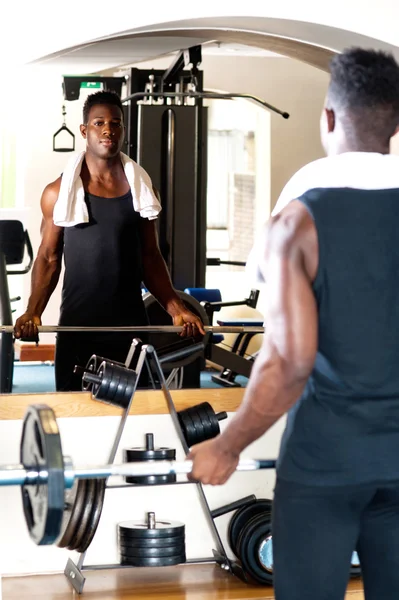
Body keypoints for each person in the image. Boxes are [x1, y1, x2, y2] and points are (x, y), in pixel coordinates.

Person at [188, 47, 399, 600]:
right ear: (394, 121)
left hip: (326, 465)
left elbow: (288, 361)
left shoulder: (298, 222)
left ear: (328, 118)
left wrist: (227, 447)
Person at [14, 90, 205, 391]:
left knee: (134, 419)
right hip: (78, 326)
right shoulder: (57, 193)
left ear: (123, 129)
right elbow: (48, 257)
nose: (108, 130)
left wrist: (176, 308)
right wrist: (33, 310)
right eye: (99, 123)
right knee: (74, 416)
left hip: (130, 327)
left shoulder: (142, 190)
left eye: (115, 123)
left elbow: (150, 257)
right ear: (84, 130)